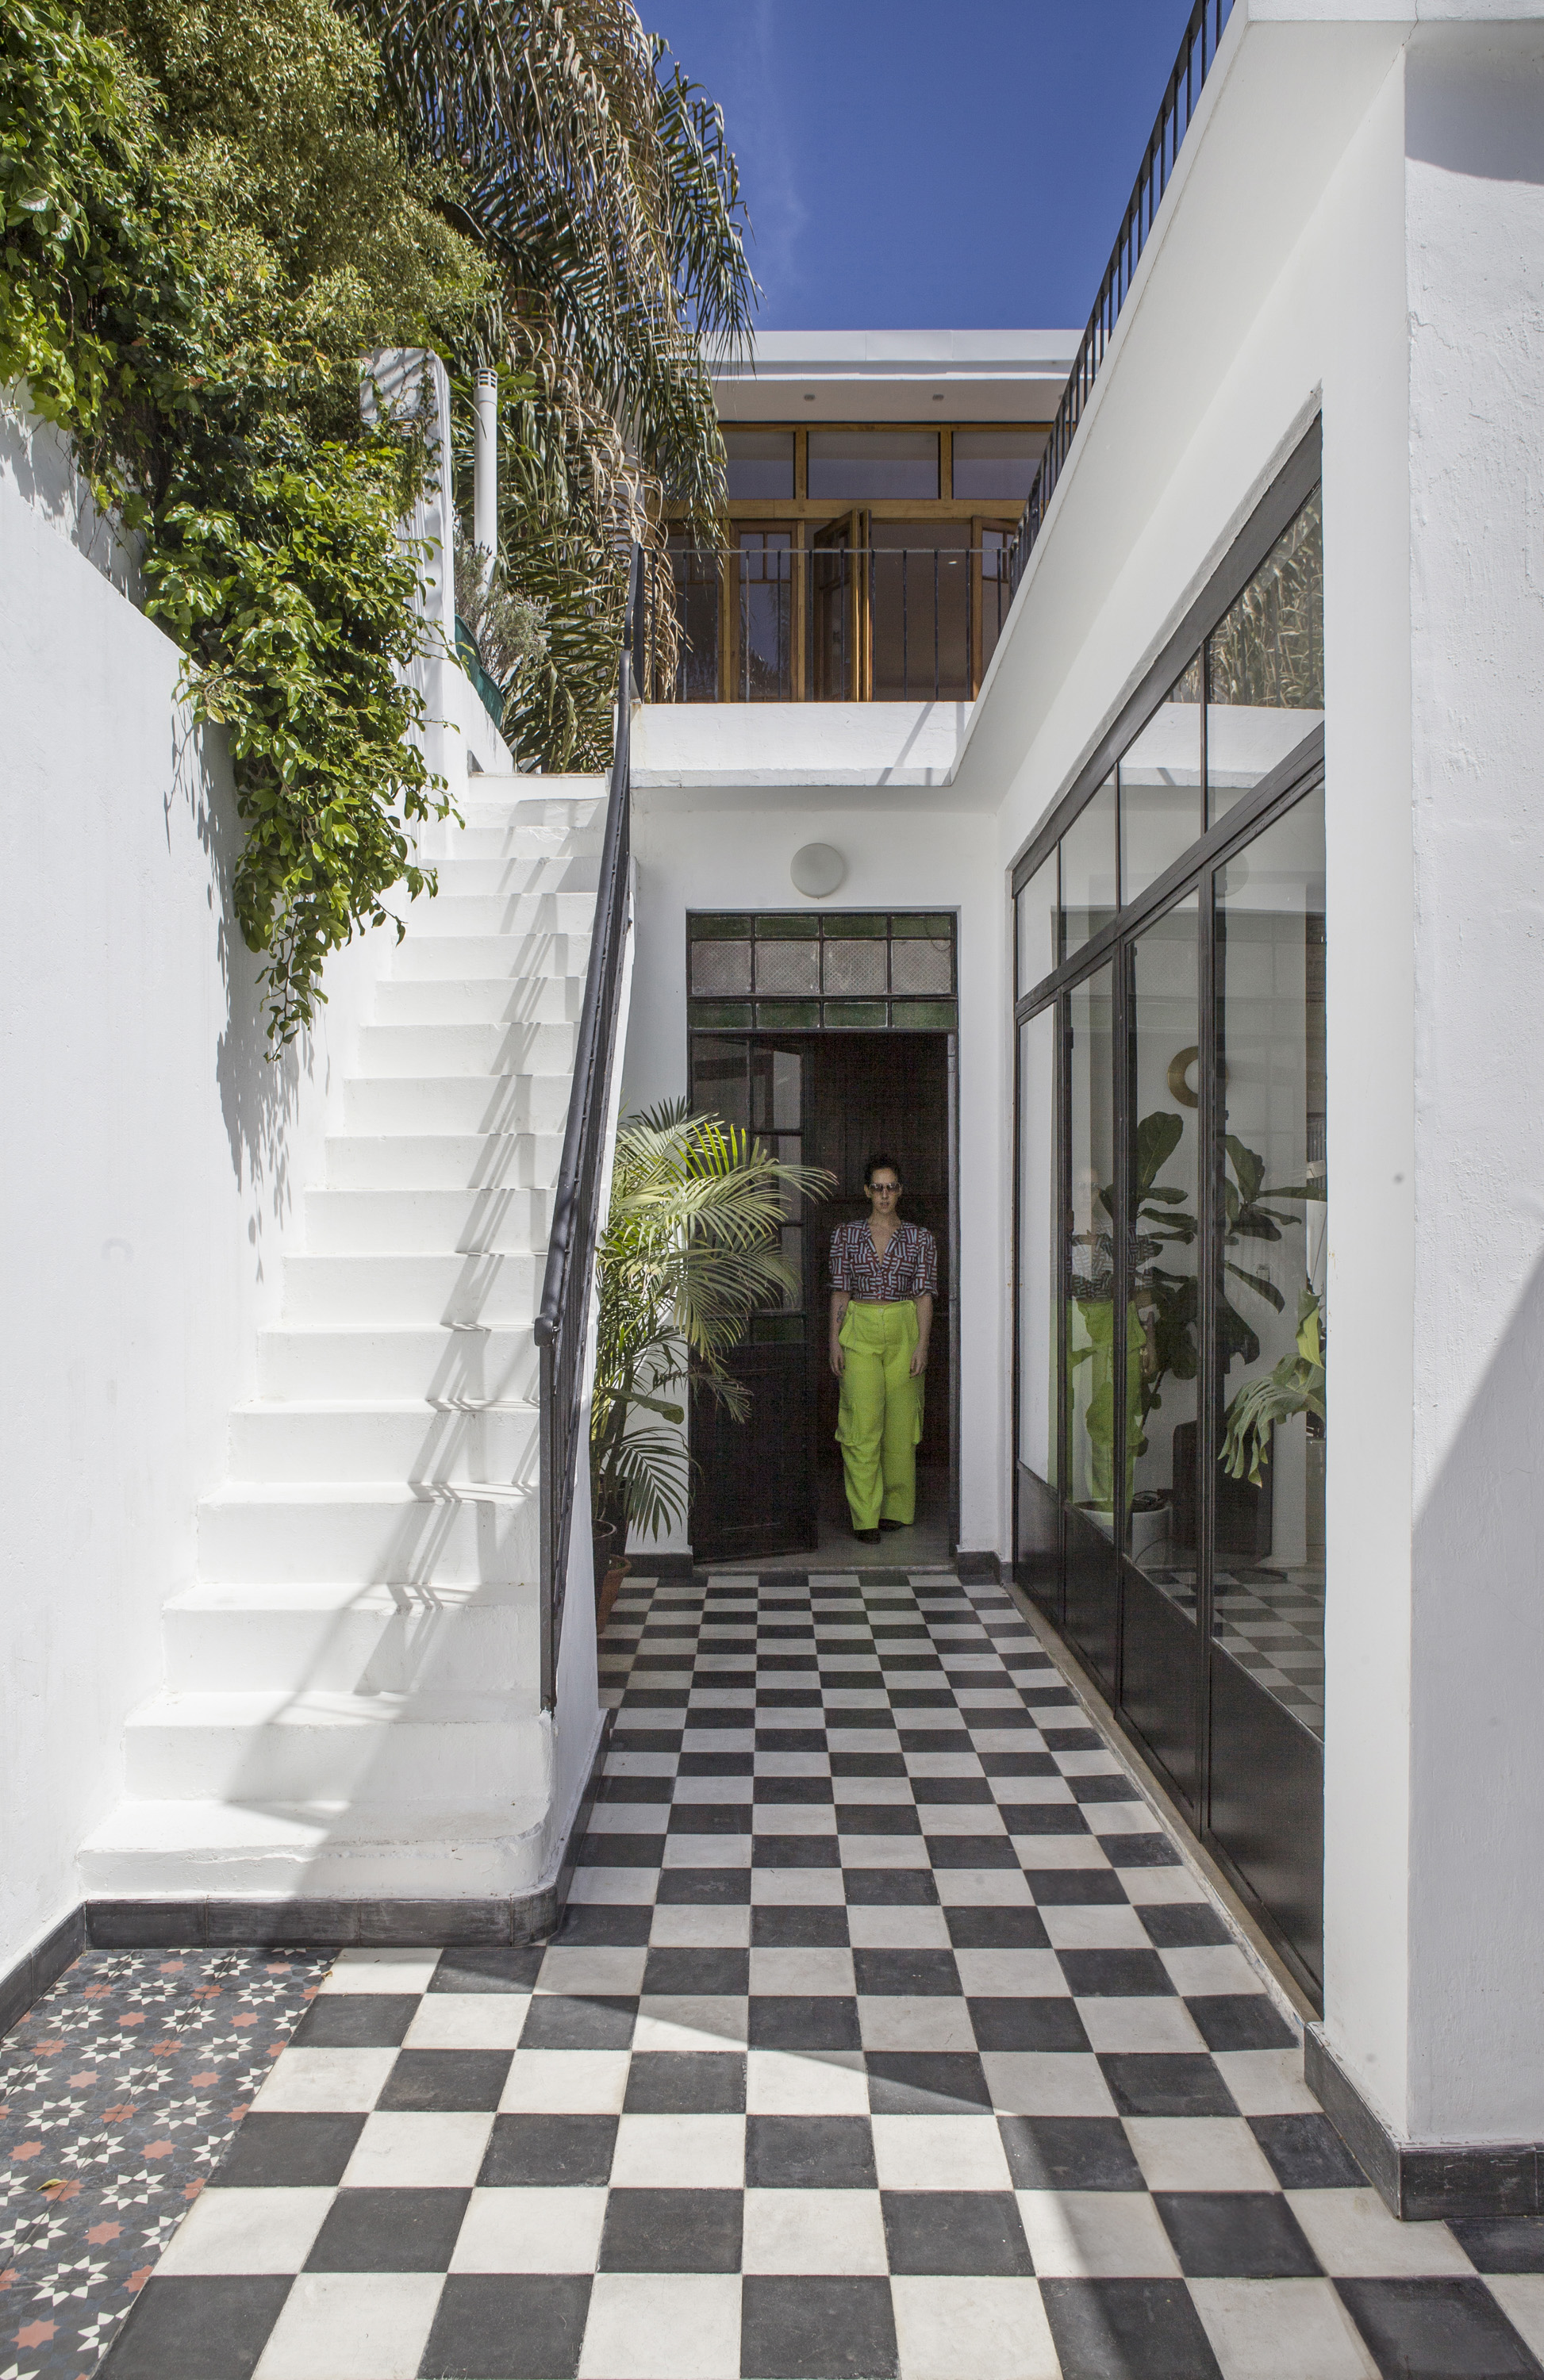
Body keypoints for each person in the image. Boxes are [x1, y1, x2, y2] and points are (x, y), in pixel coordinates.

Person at [828, 1155, 938, 1544]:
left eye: (891, 1187)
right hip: (860, 1326)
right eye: (878, 1187)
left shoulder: (920, 1238)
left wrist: (922, 1345)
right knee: (862, 1423)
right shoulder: (846, 1234)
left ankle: (896, 1508)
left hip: (904, 1325)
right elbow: (841, 1289)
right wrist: (834, 1341)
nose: (885, 1194)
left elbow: (925, 1295)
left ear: (900, 1191)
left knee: (901, 1424)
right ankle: (865, 1515)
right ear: (867, 1191)